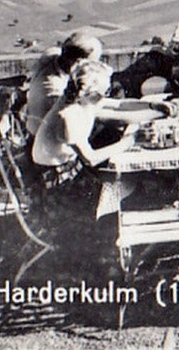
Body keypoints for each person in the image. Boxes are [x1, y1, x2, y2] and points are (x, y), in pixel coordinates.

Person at [27, 59, 149, 240]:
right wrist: (127, 143)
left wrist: (153, 107)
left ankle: (121, 230)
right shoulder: (67, 116)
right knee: (128, 183)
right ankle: (113, 238)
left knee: (128, 178)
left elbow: (118, 105)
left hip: (68, 171)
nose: (105, 96)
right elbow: (90, 158)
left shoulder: (82, 101)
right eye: (103, 92)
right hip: (57, 186)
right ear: (88, 92)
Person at [23, 32, 103, 139]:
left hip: (37, 122)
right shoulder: (53, 87)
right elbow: (71, 114)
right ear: (77, 63)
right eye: (90, 65)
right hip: (43, 136)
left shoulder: (51, 55)